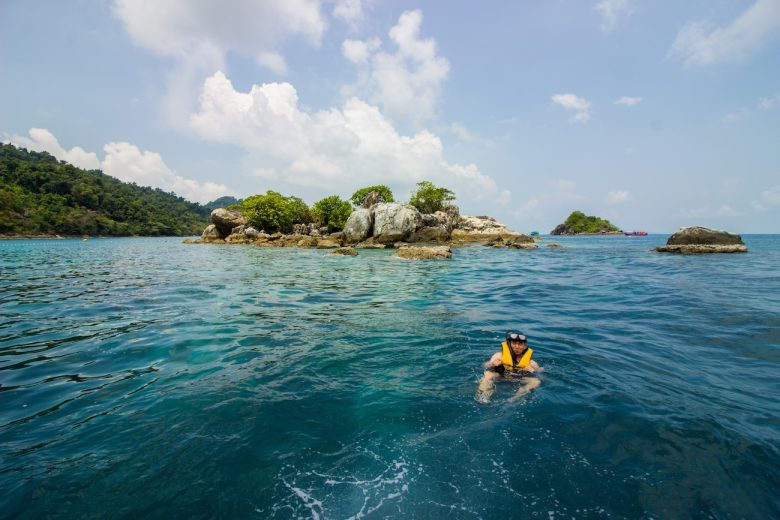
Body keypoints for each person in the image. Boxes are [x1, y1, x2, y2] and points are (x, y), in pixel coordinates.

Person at [476, 330, 542, 403]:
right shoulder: (499, 356)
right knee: (488, 374)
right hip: (501, 376)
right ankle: (483, 398)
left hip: (519, 378)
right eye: (514, 343)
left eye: (520, 344)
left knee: (536, 381)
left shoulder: (531, 363)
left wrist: (533, 370)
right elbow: (484, 365)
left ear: (524, 346)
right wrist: (492, 364)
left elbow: (541, 370)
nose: (517, 347)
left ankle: (514, 398)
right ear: (509, 344)